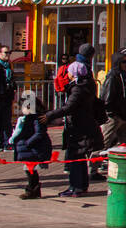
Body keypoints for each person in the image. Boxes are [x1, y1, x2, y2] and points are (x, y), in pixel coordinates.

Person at [41, 60, 103, 196]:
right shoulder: (88, 84)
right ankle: (81, 185)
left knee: (75, 157)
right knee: (79, 157)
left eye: (69, 71)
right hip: (85, 125)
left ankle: (76, 186)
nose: (67, 74)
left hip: (79, 127)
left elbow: (69, 107)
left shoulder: (78, 88)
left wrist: (50, 115)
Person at [10, 92, 53, 199]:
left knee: (30, 169)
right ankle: (33, 189)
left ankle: (32, 189)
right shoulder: (29, 118)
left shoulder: (37, 118)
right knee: (29, 169)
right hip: (31, 148)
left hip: (35, 148)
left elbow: (39, 133)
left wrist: (27, 143)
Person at [100, 51, 126, 148]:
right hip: (114, 116)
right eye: (123, 62)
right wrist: (111, 113)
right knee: (104, 142)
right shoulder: (113, 77)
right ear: (117, 63)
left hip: (125, 115)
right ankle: (96, 161)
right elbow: (107, 98)